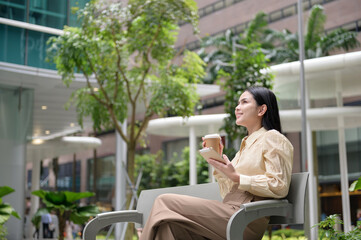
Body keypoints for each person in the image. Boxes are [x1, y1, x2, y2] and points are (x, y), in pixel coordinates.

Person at [139, 86, 294, 240]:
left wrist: (238, 177)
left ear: (261, 110)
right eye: (238, 103)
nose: (237, 108)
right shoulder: (244, 146)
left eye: (244, 102)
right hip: (229, 211)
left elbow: (279, 185)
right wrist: (218, 161)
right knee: (168, 226)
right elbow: (227, 193)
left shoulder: (272, 138)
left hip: (245, 218)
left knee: (164, 201)